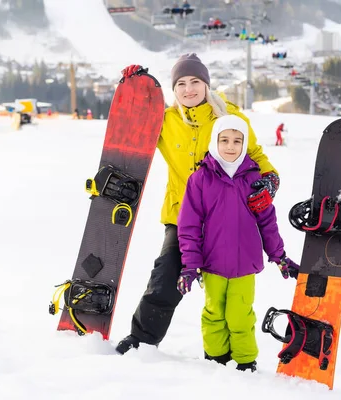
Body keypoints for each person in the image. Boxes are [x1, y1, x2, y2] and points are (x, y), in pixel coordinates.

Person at [115, 53, 281, 355]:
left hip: (226, 218)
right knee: (165, 278)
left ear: (206, 85)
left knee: (227, 292)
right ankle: (142, 339)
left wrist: (270, 180)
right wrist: (133, 86)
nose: (188, 89)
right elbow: (134, 124)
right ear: (174, 89)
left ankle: (228, 355)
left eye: (195, 82)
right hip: (182, 217)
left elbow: (255, 154)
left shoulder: (228, 117)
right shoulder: (166, 122)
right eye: (180, 83)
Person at [176, 115, 299, 372]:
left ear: (244, 144)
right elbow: (188, 226)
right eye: (224, 140)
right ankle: (216, 357)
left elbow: (268, 222)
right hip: (212, 264)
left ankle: (245, 360)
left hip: (245, 264)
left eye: (236, 141)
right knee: (214, 314)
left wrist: (279, 256)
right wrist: (190, 266)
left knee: (240, 315)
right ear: (214, 141)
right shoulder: (199, 180)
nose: (230, 146)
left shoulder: (254, 180)